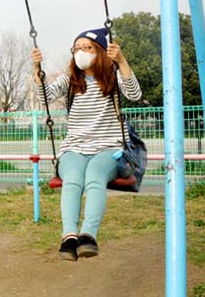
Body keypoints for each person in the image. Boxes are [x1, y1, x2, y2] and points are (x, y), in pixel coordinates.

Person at [31, 27, 142, 261]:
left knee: (94, 178)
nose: (81, 52)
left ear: (100, 51)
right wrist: (37, 69)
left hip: (108, 148)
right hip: (74, 148)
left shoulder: (112, 76)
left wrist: (121, 60)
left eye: (87, 48)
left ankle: (88, 236)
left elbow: (134, 93)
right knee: (72, 180)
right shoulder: (71, 79)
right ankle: (69, 236)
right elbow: (46, 98)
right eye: (76, 49)